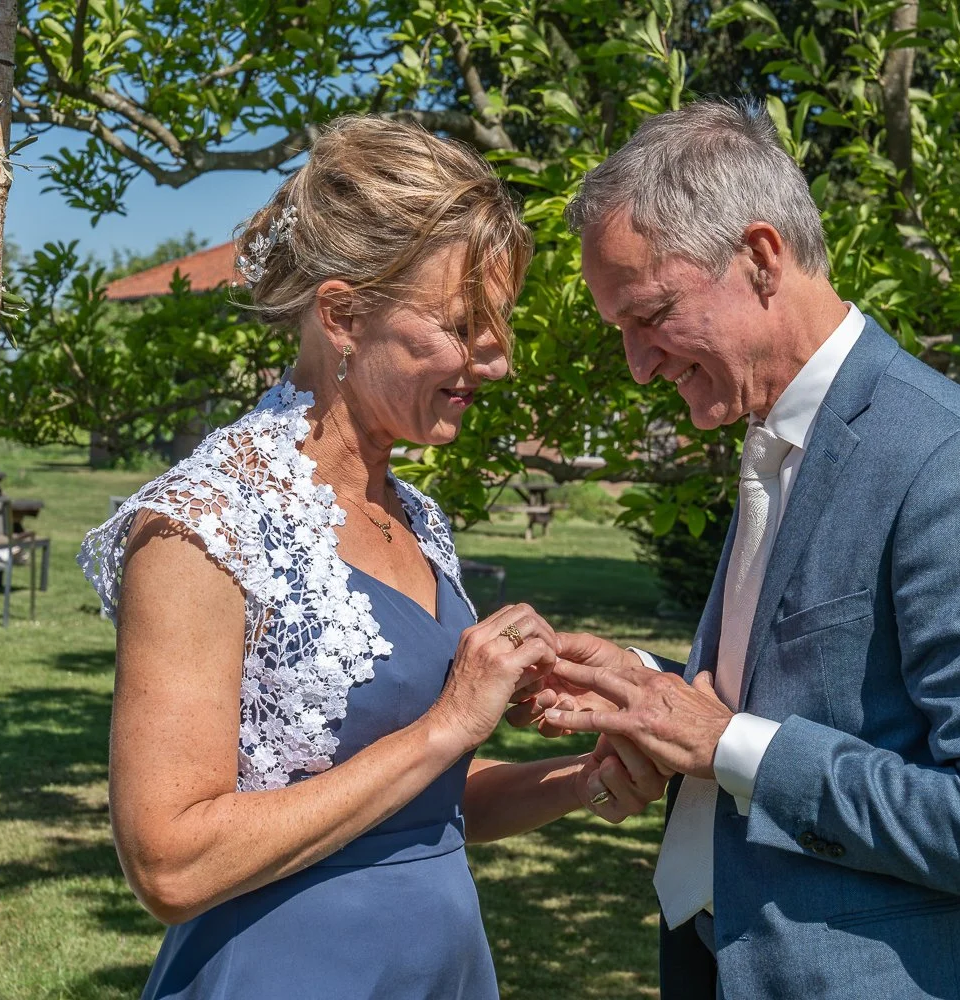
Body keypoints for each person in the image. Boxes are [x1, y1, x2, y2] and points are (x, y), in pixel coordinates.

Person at [517, 99, 960, 1000]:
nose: (637, 365)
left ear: (759, 258)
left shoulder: (951, 463)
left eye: (652, 315)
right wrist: (640, 684)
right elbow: (819, 698)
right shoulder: (781, 432)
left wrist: (726, 746)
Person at [77, 116, 666, 1000]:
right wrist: (450, 722)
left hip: (443, 969)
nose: (497, 361)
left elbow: (419, 804)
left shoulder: (415, 515)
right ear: (344, 315)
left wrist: (585, 778)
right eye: (466, 325)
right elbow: (172, 864)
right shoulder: (201, 525)